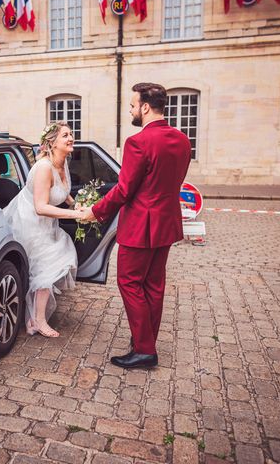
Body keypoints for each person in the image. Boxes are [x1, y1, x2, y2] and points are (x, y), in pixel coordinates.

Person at [81, 83, 191, 369]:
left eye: (132, 106)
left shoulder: (138, 142)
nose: (131, 110)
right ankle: (145, 342)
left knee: (129, 282)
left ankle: (144, 349)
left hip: (140, 225)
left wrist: (95, 211)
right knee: (154, 285)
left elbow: (124, 189)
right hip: (166, 223)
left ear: (144, 107)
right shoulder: (182, 140)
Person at [3, 121, 86, 338]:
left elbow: (61, 191)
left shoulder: (62, 162)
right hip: (30, 223)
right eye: (65, 135)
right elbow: (40, 207)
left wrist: (74, 204)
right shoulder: (43, 167)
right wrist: (76, 215)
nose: (71, 138)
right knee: (48, 267)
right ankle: (39, 321)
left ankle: (33, 320)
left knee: (48, 267)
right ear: (52, 142)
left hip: (47, 222)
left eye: (71, 134)